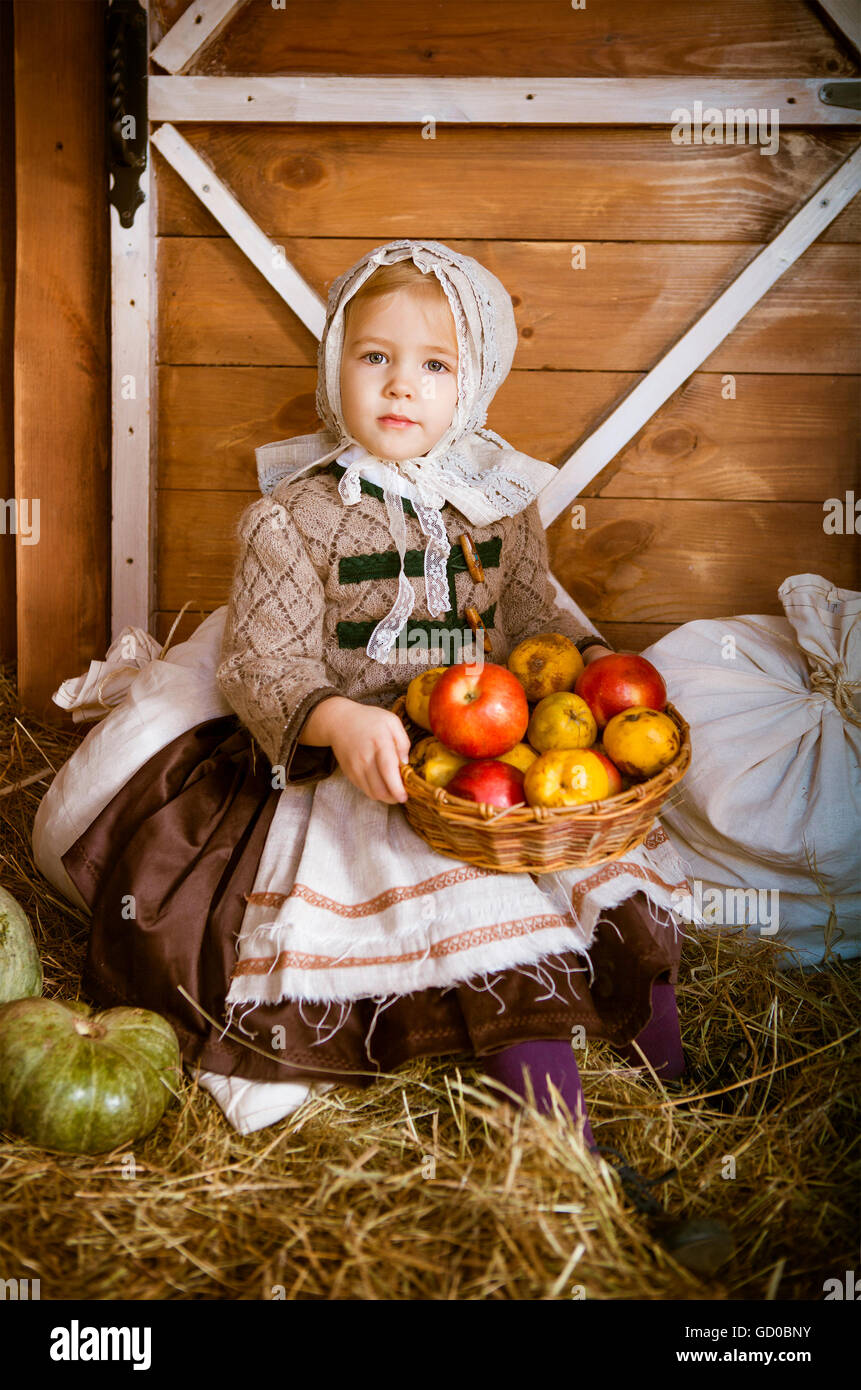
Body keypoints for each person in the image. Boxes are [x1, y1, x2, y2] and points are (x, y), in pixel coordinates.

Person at [44, 239, 690, 1149]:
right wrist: (333, 719)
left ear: (475, 382)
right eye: (373, 357)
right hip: (363, 767)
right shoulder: (291, 517)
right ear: (333, 364)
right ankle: (561, 1145)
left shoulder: (499, 502)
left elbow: (534, 619)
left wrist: (595, 671)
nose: (399, 386)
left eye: (433, 366)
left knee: (586, 878)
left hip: (492, 756)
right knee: (481, 916)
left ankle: (675, 1082)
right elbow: (260, 665)